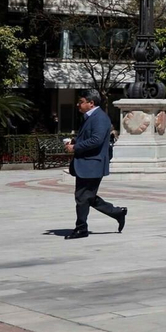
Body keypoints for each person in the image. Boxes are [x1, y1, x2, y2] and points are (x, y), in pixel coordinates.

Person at [62, 89, 126, 240]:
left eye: (82, 102)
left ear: (91, 103)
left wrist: (75, 147)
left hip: (93, 164)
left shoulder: (100, 118)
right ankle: (117, 212)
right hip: (86, 163)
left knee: (82, 197)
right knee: (86, 197)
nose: (78, 104)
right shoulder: (90, 117)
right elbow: (90, 137)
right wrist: (75, 141)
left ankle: (81, 228)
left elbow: (96, 140)